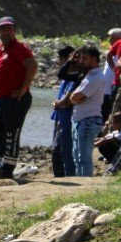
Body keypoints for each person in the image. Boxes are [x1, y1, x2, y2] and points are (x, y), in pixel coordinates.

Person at [0, 16, 37, 180]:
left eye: (9, 28)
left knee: (11, 134)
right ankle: (0, 168)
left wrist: (23, 88)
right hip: (1, 99)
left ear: (14, 30)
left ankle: (7, 171)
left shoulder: (19, 48)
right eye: (3, 28)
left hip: (15, 99)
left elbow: (32, 65)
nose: (6, 31)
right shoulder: (0, 48)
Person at [69, 46, 106, 177]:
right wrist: (77, 97)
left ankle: (85, 185)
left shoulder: (96, 77)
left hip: (88, 120)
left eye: (85, 58)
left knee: (84, 158)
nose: (82, 61)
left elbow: (76, 97)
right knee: (77, 157)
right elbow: (74, 97)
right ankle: (80, 183)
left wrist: (77, 97)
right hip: (80, 120)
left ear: (94, 58)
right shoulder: (89, 75)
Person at [51, 46, 80, 177]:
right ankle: (60, 175)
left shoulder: (76, 77)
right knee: (57, 149)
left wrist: (58, 103)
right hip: (60, 116)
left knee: (64, 150)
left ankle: (67, 176)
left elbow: (67, 100)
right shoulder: (67, 77)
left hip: (67, 118)